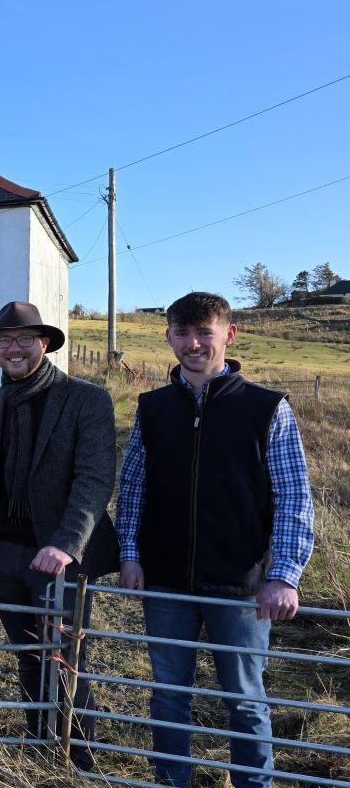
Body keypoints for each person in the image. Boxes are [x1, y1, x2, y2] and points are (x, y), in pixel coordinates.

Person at [117, 291, 315, 788]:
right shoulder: (153, 407)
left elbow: (293, 495)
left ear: (229, 334)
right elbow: (134, 485)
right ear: (168, 337)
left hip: (242, 582)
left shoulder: (266, 408)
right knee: (168, 693)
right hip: (165, 579)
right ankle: (171, 781)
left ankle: (253, 784)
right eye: (182, 333)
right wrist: (130, 553)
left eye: (204, 332)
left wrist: (283, 575)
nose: (193, 343)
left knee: (245, 698)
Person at [0, 300, 119, 769]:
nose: (13, 349)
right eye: (4, 341)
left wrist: (66, 544)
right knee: (29, 656)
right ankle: (41, 749)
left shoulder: (86, 399)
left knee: (66, 659)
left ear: (45, 343)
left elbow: (94, 480)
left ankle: (80, 761)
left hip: (59, 559)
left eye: (23, 340)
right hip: (5, 555)